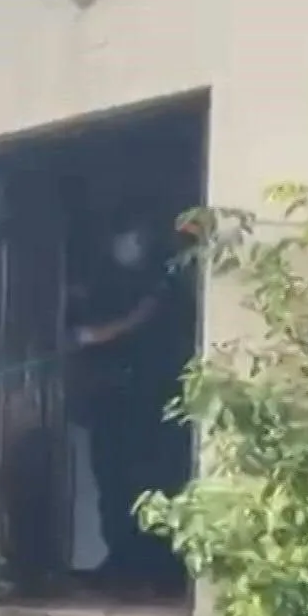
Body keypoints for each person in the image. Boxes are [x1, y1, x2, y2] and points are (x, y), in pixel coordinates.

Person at [66, 222, 194, 596]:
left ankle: (158, 568)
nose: (129, 243)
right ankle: (121, 563)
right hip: (109, 405)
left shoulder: (164, 286)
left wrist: (103, 333)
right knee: (112, 487)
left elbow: (155, 326)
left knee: (154, 484)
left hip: (155, 408)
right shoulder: (104, 283)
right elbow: (82, 329)